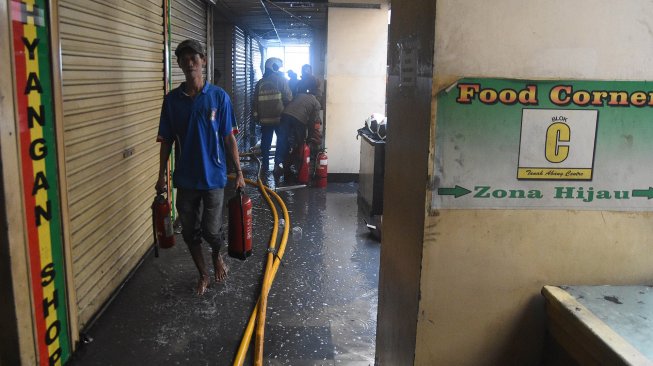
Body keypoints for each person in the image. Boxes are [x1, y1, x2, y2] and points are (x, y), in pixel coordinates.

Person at [156, 39, 245, 295]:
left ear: (203, 61)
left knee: (211, 230)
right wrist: (161, 175)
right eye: (184, 59)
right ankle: (203, 273)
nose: (189, 63)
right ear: (179, 64)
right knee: (190, 233)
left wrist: (238, 172)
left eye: (194, 58)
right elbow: (167, 141)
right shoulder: (172, 100)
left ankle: (217, 254)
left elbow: (229, 137)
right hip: (185, 179)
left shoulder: (218, 97)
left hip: (215, 177)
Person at [277, 75, 322, 178]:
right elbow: (313, 121)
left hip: (284, 116)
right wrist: (311, 137)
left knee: (283, 142)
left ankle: (280, 166)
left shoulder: (299, 95)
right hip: (298, 120)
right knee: (300, 144)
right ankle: (298, 168)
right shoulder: (316, 103)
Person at [253, 57, 292, 174]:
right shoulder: (281, 80)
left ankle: (265, 165)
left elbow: (255, 102)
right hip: (279, 118)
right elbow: (289, 98)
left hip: (264, 120)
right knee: (281, 141)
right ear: (274, 67)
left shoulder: (260, 83)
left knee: (265, 142)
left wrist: (256, 117)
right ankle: (277, 164)